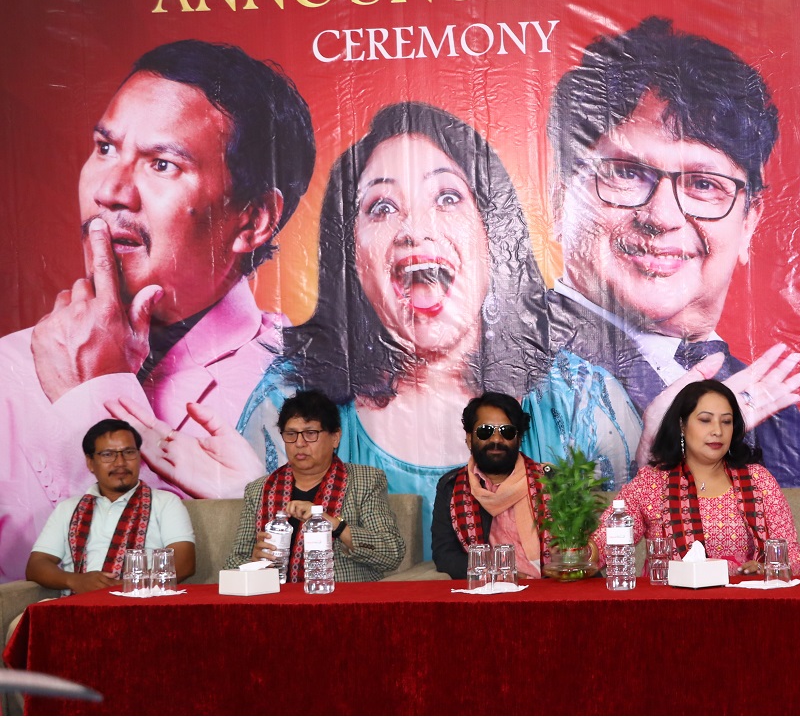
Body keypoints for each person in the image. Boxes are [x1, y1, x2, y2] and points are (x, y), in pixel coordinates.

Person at [231, 102, 641, 561]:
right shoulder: (284, 405)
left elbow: (623, 542)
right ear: (351, 257)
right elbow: (261, 550)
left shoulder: (583, 404)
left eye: (447, 198)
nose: (414, 229)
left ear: (492, 233)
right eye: (382, 207)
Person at [547, 16, 800, 556]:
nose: (662, 216)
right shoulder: (506, 366)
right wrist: (654, 461)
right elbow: (547, 551)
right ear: (560, 199)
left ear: (750, 222)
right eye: (625, 172)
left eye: (703, 184)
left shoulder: (757, 392)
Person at [0, 39, 315, 582]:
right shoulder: (9, 366)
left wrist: (89, 398)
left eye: (162, 164)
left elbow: (270, 577)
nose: (109, 191)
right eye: (105, 147)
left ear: (253, 220)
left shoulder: (304, 386)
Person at [594, 379, 800, 575]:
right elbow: (603, 545)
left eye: (726, 422)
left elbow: (793, 561)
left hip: (744, 598)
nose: (717, 431)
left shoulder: (758, 480)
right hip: (670, 599)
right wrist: (581, 554)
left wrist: (764, 568)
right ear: (682, 425)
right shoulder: (652, 483)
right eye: (705, 420)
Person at [225, 390, 405, 582]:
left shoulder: (365, 481)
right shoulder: (260, 490)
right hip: (275, 596)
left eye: (310, 433)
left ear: (335, 437)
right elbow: (233, 563)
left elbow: (391, 553)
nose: (299, 443)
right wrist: (254, 561)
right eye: (291, 434)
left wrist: (335, 525)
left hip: (340, 596)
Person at [25, 419, 195, 594]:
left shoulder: (165, 502)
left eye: (128, 452)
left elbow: (184, 563)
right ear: (90, 463)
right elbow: (37, 565)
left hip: (144, 601)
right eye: (108, 454)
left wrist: (126, 587)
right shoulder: (68, 509)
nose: (120, 462)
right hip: (78, 602)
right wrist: (75, 580)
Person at [430, 393, 556, 579]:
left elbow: (578, 543)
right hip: (487, 588)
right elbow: (445, 554)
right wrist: (496, 574)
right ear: (469, 439)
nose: (496, 439)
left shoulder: (550, 480)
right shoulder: (451, 487)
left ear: (519, 438)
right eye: (485, 431)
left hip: (548, 586)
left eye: (507, 431)